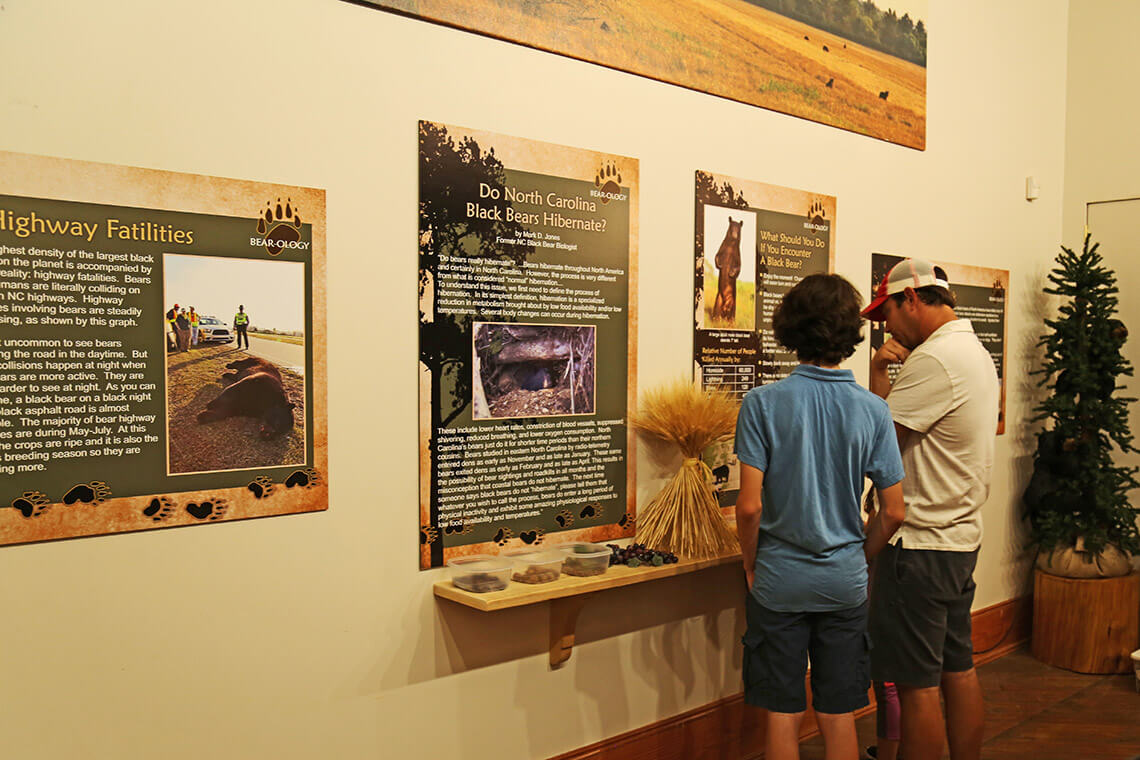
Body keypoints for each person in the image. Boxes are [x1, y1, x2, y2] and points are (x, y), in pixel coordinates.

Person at [735, 273, 906, 760]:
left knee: (783, 710)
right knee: (837, 713)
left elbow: (749, 505)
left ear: (789, 327)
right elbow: (894, 511)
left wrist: (752, 562)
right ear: (849, 332)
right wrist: (862, 555)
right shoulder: (872, 410)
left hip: (778, 580)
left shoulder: (762, 403)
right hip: (844, 580)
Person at [862, 259, 1000, 760]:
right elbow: (892, 425)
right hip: (959, 538)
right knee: (957, 669)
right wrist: (880, 371)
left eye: (888, 312)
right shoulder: (972, 350)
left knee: (916, 685)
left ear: (912, 299)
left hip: (919, 546)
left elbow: (876, 443)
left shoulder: (935, 360)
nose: (886, 326)